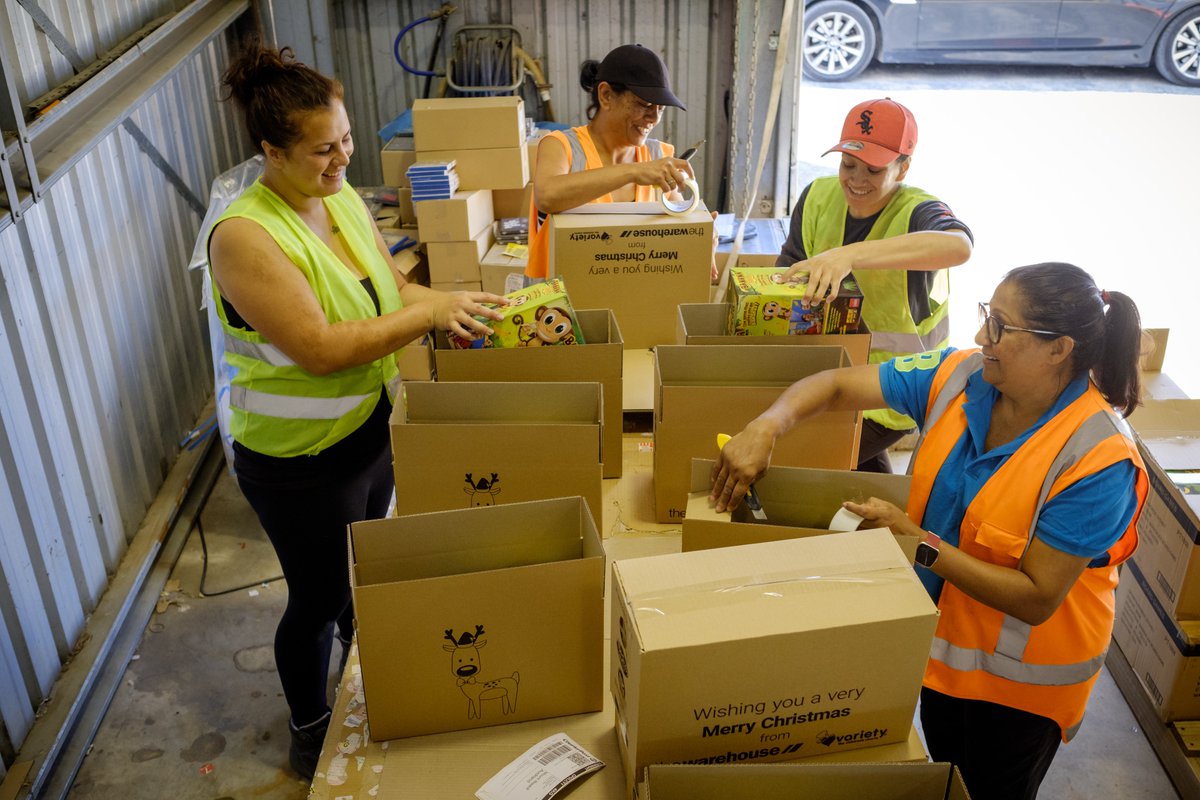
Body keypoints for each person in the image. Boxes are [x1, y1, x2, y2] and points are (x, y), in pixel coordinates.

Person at [711, 263, 1147, 800]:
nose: (981, 337)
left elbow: (1037, 597)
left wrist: (918, 542)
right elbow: (837, 383)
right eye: (987, 315)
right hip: (940, 654)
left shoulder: (1098, 460)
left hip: (1022, 693)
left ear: (1059, 349)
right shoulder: (959, 376)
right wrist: (766, 426)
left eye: (1002, 328)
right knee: (944, 775)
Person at [209, 39, 506, 781]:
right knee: (315, 597)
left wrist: (450, 304)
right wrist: (428, 314)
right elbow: (320, 347)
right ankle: (310, 725)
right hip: (296, 463)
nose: (342, 161)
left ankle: (360, 671)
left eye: (345, 140)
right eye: (321, 151)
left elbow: (391, 294)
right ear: (271, 152)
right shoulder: (245, 237)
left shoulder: (336, 199)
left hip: (367, 436)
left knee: (362, 574)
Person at [777, 97, 974, 472]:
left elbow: (959, 246)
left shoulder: (918, 211)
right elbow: (787, 268)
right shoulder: (818, 196)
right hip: (829, 370)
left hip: (895, 388)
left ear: (902, 169)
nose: (856, 180)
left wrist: (850, 255)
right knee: (853, 466)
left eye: (873, 170)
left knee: (810, 459)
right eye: (848, 164)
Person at [524, 43, 719, 282]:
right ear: (606, 95)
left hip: (625, 299)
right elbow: (547, 196)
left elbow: (676, 228)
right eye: (645, 104)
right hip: (557, 310)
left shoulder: (658, 156)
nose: (654, 118)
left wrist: (700, 237)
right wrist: (633, 171)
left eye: (660, 108)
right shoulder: (561, 146)